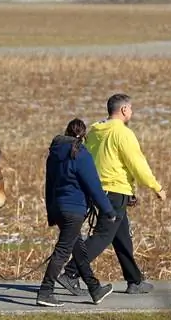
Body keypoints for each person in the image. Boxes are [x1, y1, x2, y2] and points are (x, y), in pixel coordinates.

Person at [57, 93, 167, 296]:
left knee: (121, 235)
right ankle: (70, 273)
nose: (132, 112)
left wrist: (129, 191)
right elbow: (137, 163)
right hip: (115, 191)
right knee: (103, 236)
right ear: (124, 110)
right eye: (131, 109)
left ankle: (134, 280)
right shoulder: (122, 133)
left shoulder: (96, 131)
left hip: (101, 191)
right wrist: (156, 187)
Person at [37, 118, 116, 307]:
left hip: (59, 208)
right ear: (83, 135)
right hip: (73, 210)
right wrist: (108, 211)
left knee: (78, 249)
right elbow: (94, 186)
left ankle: (94, 289)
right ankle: (45, 291)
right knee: (63, 250)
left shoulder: (54, 154)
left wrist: (51, 212)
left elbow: (50, 185)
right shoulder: (81, 155)